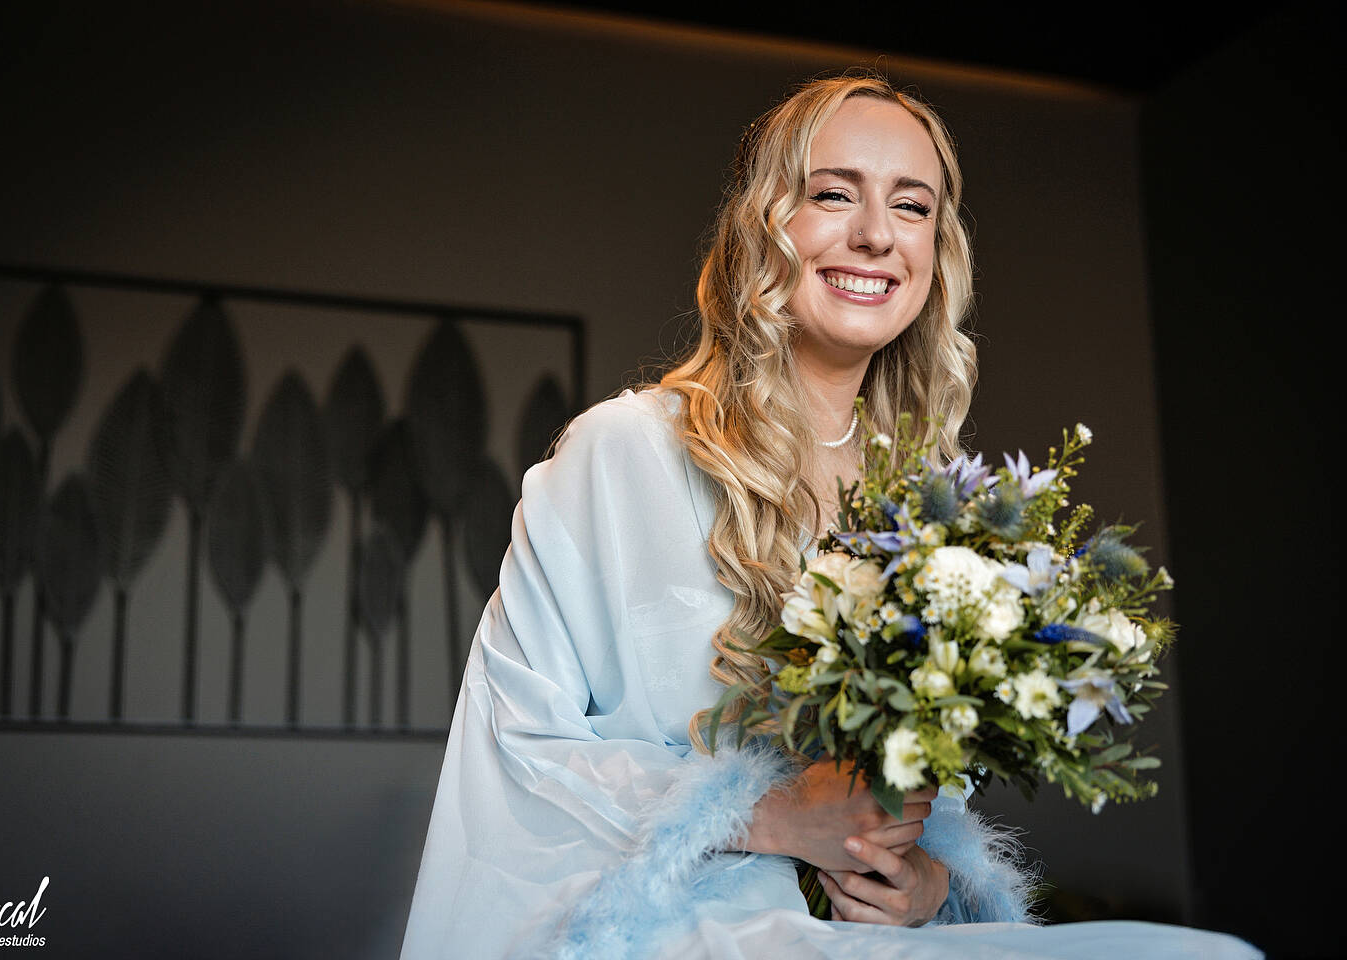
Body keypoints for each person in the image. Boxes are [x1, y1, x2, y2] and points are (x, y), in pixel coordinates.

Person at [399, 74, 1260, 960]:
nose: (877, 235)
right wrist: (775, 816)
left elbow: (920, 794)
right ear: (763, 223)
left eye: (911, 206)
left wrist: (924, 882)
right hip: (681, 930)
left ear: (938, 248)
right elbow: (519, 750)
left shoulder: (929, 508)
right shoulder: (621, 455)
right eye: (834, 194)